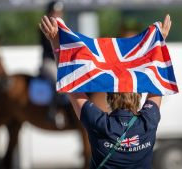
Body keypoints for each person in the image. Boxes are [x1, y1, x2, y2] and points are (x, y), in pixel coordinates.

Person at [39, 14, 172, 168]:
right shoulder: (148, 121)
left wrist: (55, 40)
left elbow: (70, 83)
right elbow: (158, 82)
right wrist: (158, 42)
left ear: (109, 96)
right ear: (138, 95)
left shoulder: (99, 122)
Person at [39, 0, 64, 82]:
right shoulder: (45, 27)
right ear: (49, 13)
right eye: (54, 12)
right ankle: (60, 95)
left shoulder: (63, 28)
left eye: (59, 13)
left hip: (62, 62)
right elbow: (50, 47)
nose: (57, 15)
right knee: (59, 79)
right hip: (49, 61)